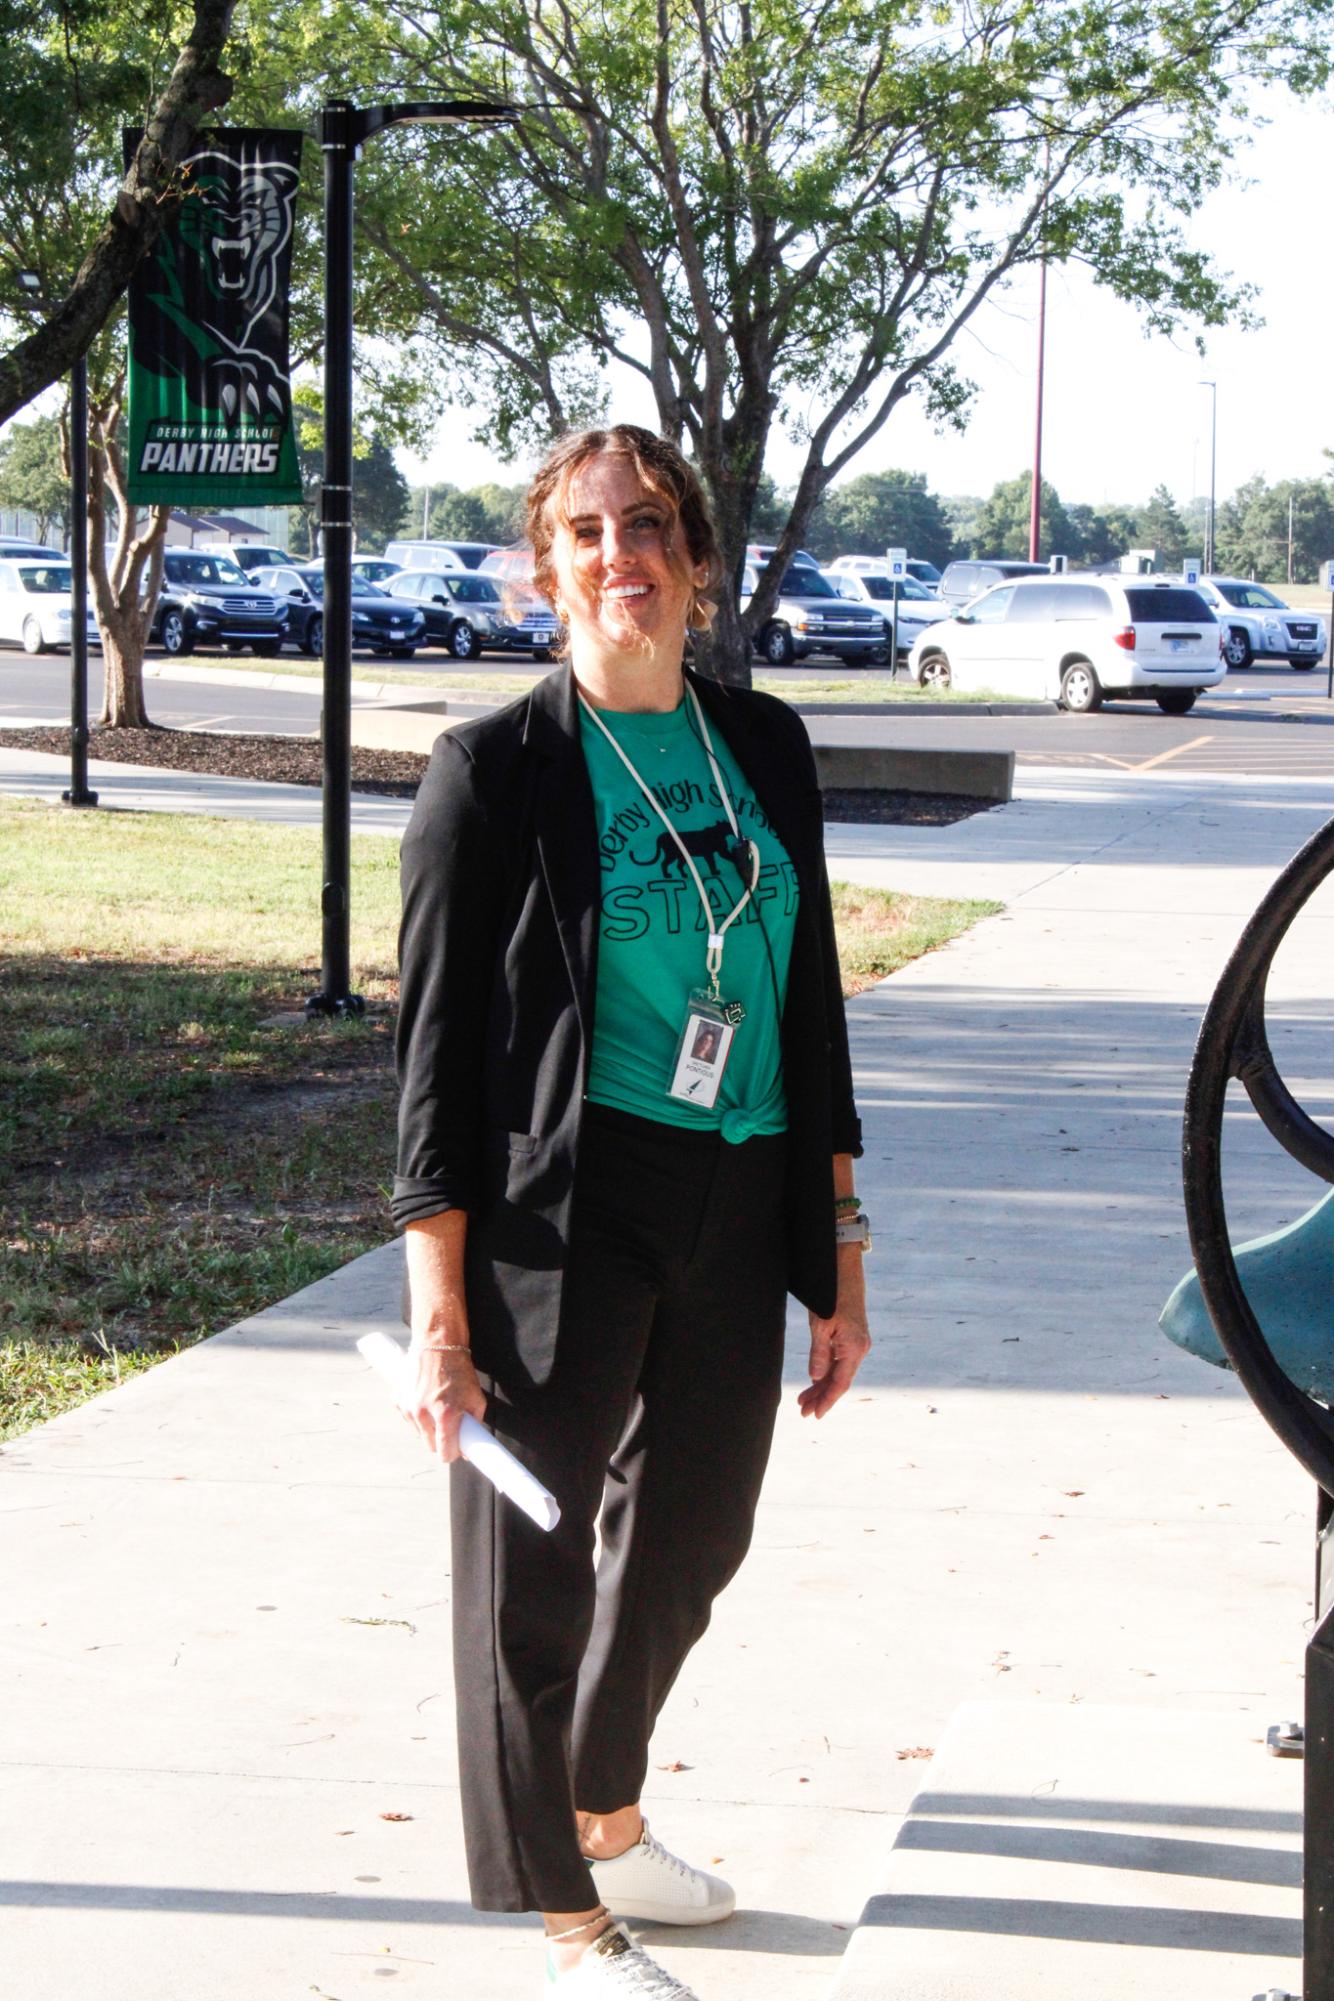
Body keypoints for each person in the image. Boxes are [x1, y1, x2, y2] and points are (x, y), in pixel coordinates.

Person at [393, 424, 871, 1999]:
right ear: (546, 568)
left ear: (699, 560)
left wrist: (838, 1244)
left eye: (650, 526)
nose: (622, 557)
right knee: (527, 1571)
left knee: (692, 1533)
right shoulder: (496, 771)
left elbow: (807, 1007)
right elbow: (436, 1069)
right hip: (567, 1205)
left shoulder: (766, 747)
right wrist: (439, 1316)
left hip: (741, 1187)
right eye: (587, 533)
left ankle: (601, 1812)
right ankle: (563, 1917)